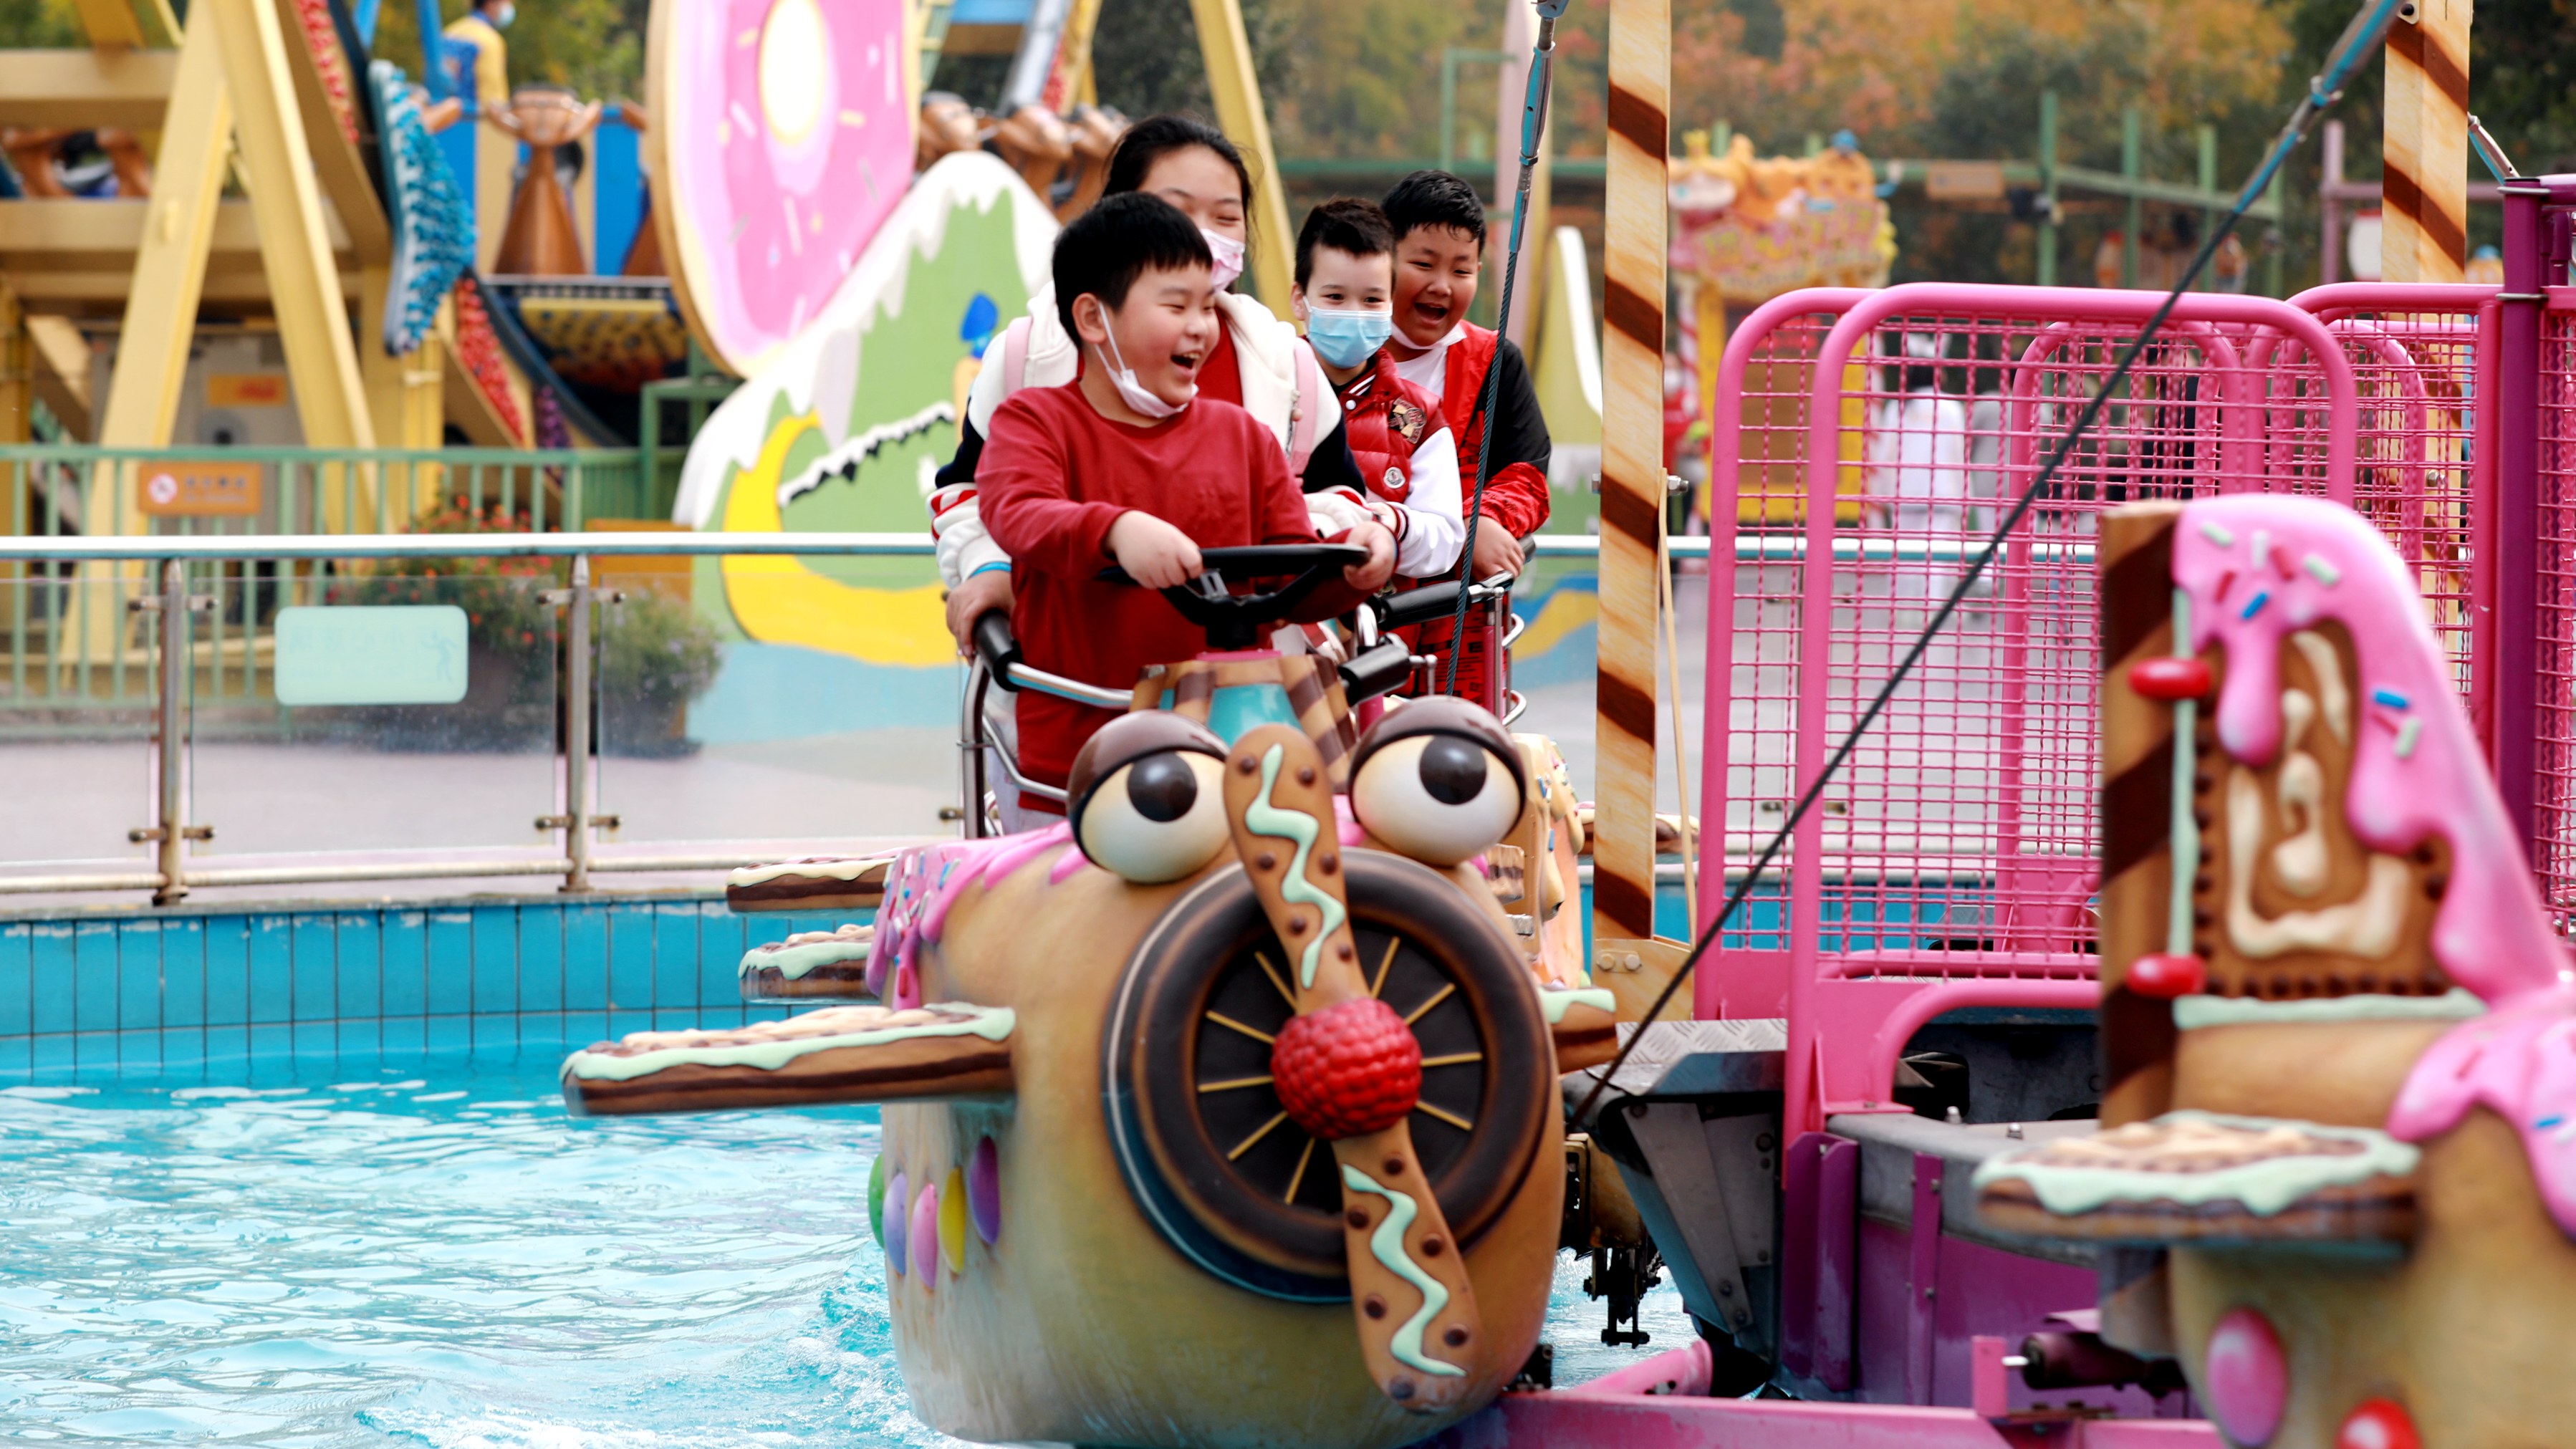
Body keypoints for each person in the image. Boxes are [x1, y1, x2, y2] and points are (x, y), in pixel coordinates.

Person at [976, 194, 1396, 813]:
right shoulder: (1035, 421)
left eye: (1208, 305)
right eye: (1176, 306)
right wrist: (1116, 530)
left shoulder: (1243, 437)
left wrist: (1350, 565)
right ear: (1092, 318)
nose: (1201, 326)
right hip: (1080, 761)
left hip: (1232, 752)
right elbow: (1018, 510)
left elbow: (1286, 570)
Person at [933, 115, 1364, 653]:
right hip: (1079, 678)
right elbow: (992, 498)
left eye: (1226, 217)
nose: (1200, 236)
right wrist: (993, 567)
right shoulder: (1030, 370)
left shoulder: (1281, 375)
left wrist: (1353, 555)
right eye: (1176, 211)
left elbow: (1324, 513)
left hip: (1239, 683)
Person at [1380, 169, 1553, 582]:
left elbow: (1526, 475)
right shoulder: (1331, 357)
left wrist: (1484, 519)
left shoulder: (1496, 362)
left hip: (1457, 606)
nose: (1442, 286)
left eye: (1461, 272)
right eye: (1423, 264)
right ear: (1381, 258)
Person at [1290, 198, 1463, 581]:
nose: (1355, 312)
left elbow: (1446, 539)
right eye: (1335, 297)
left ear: (1390, 304)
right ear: (1300, 300)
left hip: (1376, 611)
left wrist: (1392, 521)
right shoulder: (1267, 388)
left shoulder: (1419, 415)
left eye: (1372, 300)